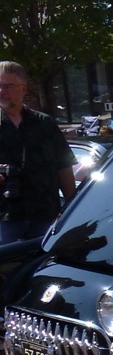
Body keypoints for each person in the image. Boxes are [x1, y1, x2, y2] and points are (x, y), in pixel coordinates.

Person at [0, 61, 76, 243]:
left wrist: (73, 208)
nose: (2, 92)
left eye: (8, 86)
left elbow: (64, 167)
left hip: (46, 215)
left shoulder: (45, 124)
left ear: (23, 89)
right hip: (5, 218)